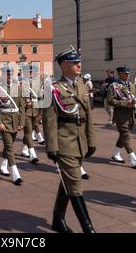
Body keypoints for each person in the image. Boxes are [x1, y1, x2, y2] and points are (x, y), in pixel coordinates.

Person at [43, 46, 96, 233]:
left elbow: (87, 116)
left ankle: (58, 219)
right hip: (64, 142)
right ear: (64, 66)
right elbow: (49, 121)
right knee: (74, 184)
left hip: (80, 140)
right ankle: (88, 228)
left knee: (67, 181)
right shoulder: (53, 89)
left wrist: (91, 141)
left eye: (78, 62)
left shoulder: (82, 85)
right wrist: (51, 147)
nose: (79, 65)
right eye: (74, 62)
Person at [0, 67, 25, 185]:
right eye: (7, 74)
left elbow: (21, 106)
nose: (9, 76)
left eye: (10, 74)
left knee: (8, 146)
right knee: (10, 147)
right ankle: (16, 174)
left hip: (15, 120)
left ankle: (3, 166)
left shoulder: (18, 88)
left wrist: (22, 122)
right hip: (4, 121)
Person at [107, 66, 136, 169]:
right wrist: (125, 103)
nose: (127, 75)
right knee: (126, 135)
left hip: (131, 114)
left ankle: (116, 154)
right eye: (125, 73)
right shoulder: (114, 86)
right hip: (120, 115)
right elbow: (110, 100)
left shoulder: (131, 84)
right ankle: (133, 159)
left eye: (128, 73)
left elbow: (135, 96)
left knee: (124, 135)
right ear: (119, 74)